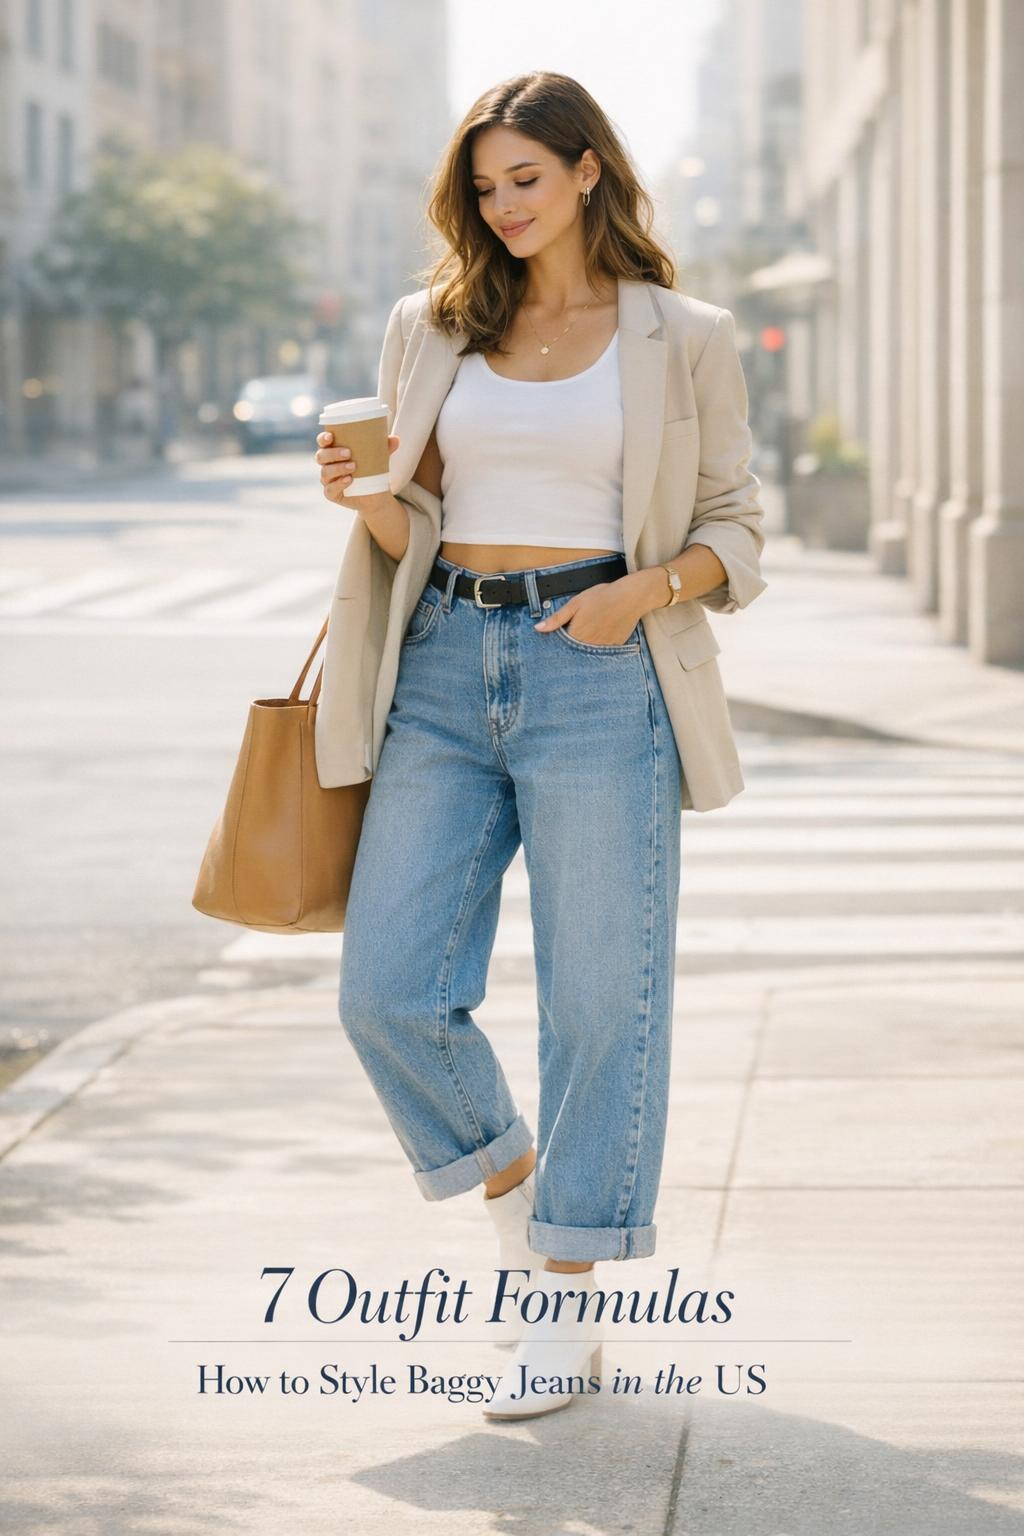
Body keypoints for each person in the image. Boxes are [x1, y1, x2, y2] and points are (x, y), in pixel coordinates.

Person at [313, 71, 766, 1421]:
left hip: (599, 675)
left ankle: (563, 1297)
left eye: (526, 179)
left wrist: (644, 591)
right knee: (386, 990)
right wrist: (368, 497)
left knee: (598, 1003)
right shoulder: (430, 326)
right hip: (444, 666)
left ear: (584, 172)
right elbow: (419, 527)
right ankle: (518, 1199)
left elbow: (738, 529)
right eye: (485, 186)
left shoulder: (681, 334)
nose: (504, 207)